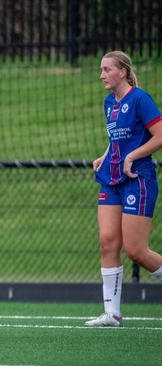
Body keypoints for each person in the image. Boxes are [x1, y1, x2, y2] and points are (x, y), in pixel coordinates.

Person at [85, 51, 162, 327]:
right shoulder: (110, 103)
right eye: (101, 69)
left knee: (136, 250)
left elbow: (160, 135)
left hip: (137, 178)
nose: (102, 74)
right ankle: (112, 314)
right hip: (111, 178)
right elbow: (118, 137)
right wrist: (106, 155)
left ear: (123, 72)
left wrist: (132, 156)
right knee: (108, 242)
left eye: (107, 69)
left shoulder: (140, 99)